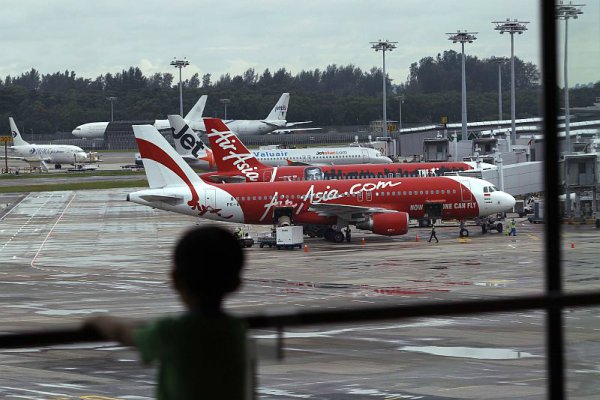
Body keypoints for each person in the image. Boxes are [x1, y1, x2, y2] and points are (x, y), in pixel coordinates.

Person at [85, 225, 249, 400]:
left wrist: (98, 320)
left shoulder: (173, 331)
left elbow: (123, 333)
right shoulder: (236, 329)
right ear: (236, 284)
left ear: (175, 279)